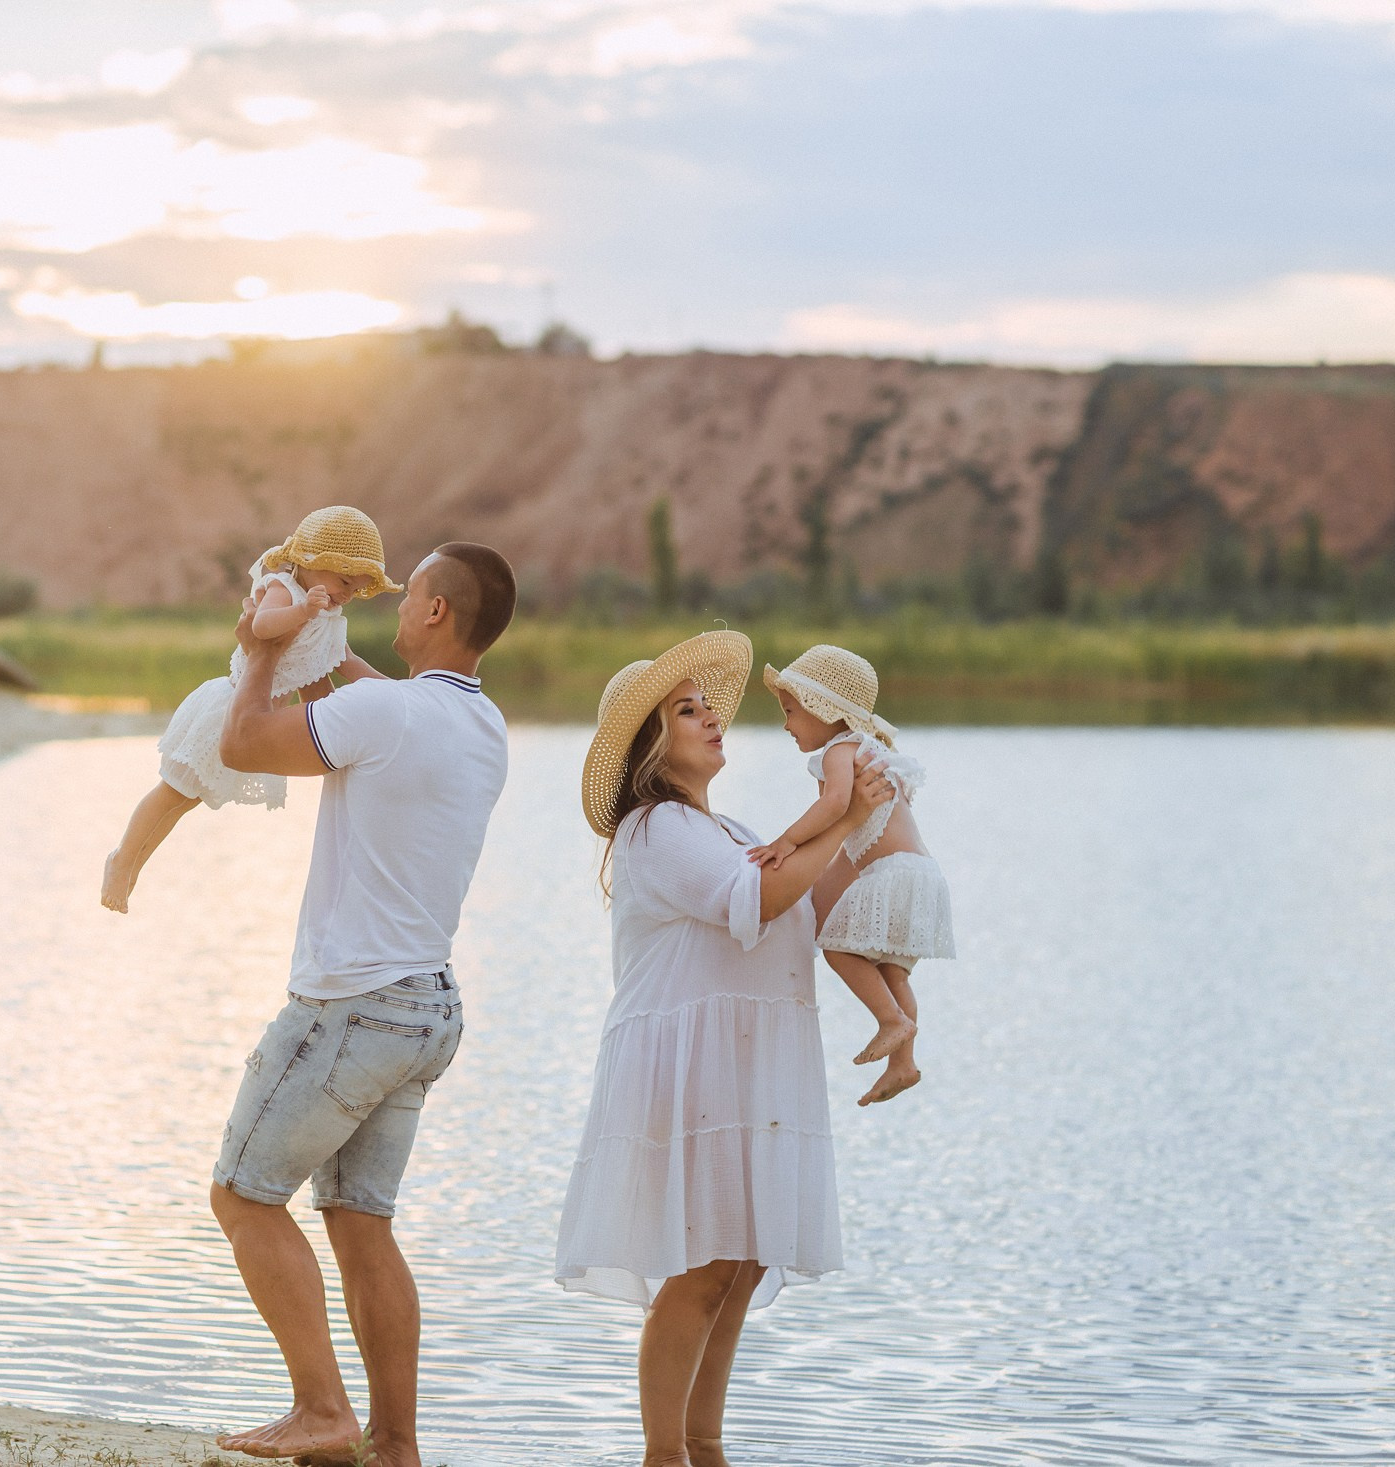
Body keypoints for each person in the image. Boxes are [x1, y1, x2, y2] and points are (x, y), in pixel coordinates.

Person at [207, 542, 519, 1467]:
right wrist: (324, 631)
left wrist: (261, 641)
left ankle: (320, 1410)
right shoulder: (481, 722)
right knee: (358, 1219)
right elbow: (378, 699)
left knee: (244, 1195)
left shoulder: (382, 710)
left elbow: (242, 741)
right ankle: (395, 1444)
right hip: (427, 1011)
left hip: (352, 1007)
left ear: (433, 612)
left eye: (411, 591)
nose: (399, 603)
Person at [556, 631, 894, 1467]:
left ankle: (704, 1445)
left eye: (707, 705)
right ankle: (665, 1454)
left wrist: (876, 817)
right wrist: (843, 814)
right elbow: (764, 892)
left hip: (745, 1058)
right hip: (690, 1060)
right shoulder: (656, 825)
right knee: (703, 1264)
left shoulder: (731, 823)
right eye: (686, 710)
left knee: (738, 1263)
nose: (711, 716)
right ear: (650, 745)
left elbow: (813, 897)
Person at [101, 505, 397, 913]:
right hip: (227, 710)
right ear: (312, 562)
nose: (346, 595)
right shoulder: (287, 590)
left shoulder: (328, 612)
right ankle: (122, 859)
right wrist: (302, 611)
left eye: (356, 590)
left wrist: (401, 694)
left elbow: (346, 661)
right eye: (344, 581)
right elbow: (261, 628)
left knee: (186, 801)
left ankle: (134, 865)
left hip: (260, 721)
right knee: (171, 793)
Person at [749, 644, 955, 1106]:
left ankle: (889, 1022)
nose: (786, 724)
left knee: (838, 946)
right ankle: (904, 1063)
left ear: (823, 709)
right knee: (892, 971)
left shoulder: (837, 750)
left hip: (890, 873)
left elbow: (836, 804)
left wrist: (787, 841)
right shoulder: (876, 752)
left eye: (790, 711)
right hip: (923, 876)